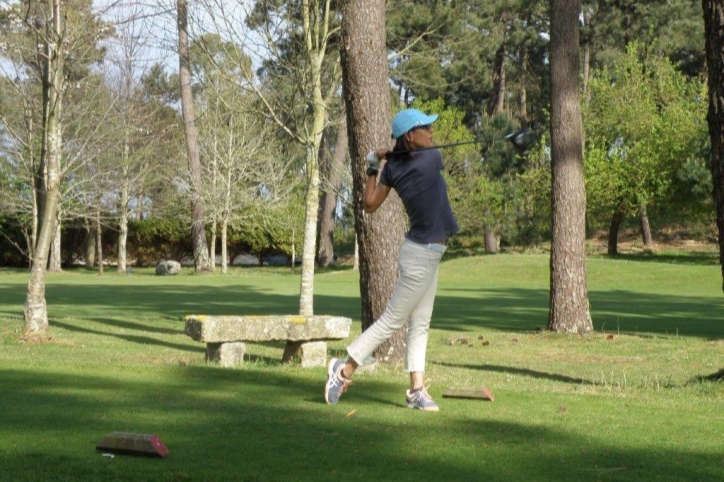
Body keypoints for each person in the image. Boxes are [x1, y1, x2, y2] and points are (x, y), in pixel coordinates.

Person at [324, 108, 459, 411]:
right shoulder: (430, 159)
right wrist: (390, 154)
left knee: (420, 324)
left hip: (426, 253)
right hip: (421, 254)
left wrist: (375, 163)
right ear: (411, 135)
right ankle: (342, 370)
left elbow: (369, 203)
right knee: (392, 321)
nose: (432, 132)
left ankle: (416, 391)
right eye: (426, 127)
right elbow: (371, 205)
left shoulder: (393, 169)